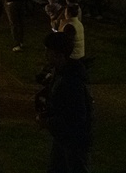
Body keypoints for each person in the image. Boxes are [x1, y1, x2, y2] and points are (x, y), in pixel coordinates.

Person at [36, 31, 93, 173]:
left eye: (48, 50)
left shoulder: (71, 81)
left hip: (73, 142)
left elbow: (76, 118)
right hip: (62, 138)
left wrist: (47, 122)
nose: (45, 54)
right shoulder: (60, 72)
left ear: (58, 54)